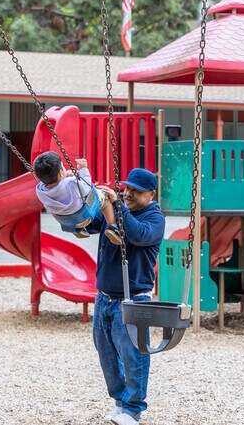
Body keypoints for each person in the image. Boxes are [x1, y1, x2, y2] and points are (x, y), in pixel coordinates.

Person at [88, 168, 166, 425]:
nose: (128, 194)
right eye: (126, 188)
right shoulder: (118, 210)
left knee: (134, 356)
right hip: (104, 297)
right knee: (107, 355)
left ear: (151, 195)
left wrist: (117, 204)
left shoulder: (154, 218)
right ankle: (121, 402)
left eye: (136, 191)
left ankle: (133, 409)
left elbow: (138, 235)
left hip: (133, 299)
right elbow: (90, 223)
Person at [33, 151, 122, 245]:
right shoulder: (72, 183)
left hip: (68, 222)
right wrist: (83, 169)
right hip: (84, 216)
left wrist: (67, 174)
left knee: (67, 207)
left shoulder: (40, 190)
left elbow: (59, 182)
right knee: (105, 195)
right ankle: (112, 227)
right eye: (63, 167)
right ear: (60, 173)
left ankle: (78, 231)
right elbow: (87, 186)